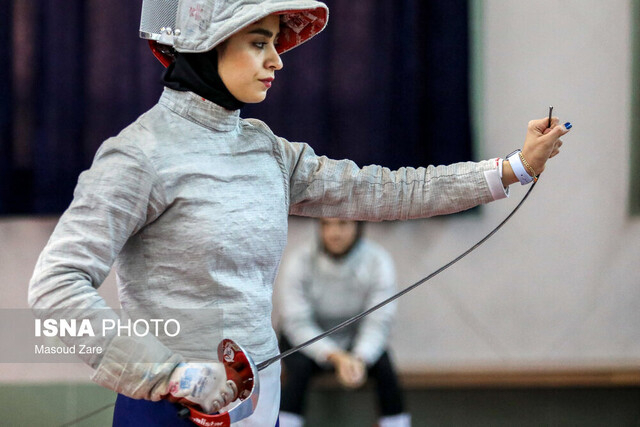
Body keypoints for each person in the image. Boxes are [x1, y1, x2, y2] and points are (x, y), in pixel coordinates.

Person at [27, 0, 571, 426]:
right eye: (258, 42)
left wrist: (512, 168)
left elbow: (385, 191)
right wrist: (172, 376)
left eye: (274, 43)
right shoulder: (139, 154)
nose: (277, 59)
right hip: (170, 412)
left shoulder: (266, 150)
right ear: (204, 46)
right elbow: (55, 286)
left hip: (261, 401)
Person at [278, 218, 410, 427]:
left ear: (358, 226)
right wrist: (335, 356)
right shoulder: (299, 260)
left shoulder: (378, 260)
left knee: (385, 366)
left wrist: (360, 357)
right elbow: (296, 322)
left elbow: (379, 321)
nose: (334, 233)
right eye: (326, 224)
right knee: (298, 370)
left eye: (343, 224)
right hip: (307, 340)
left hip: (353, 339)